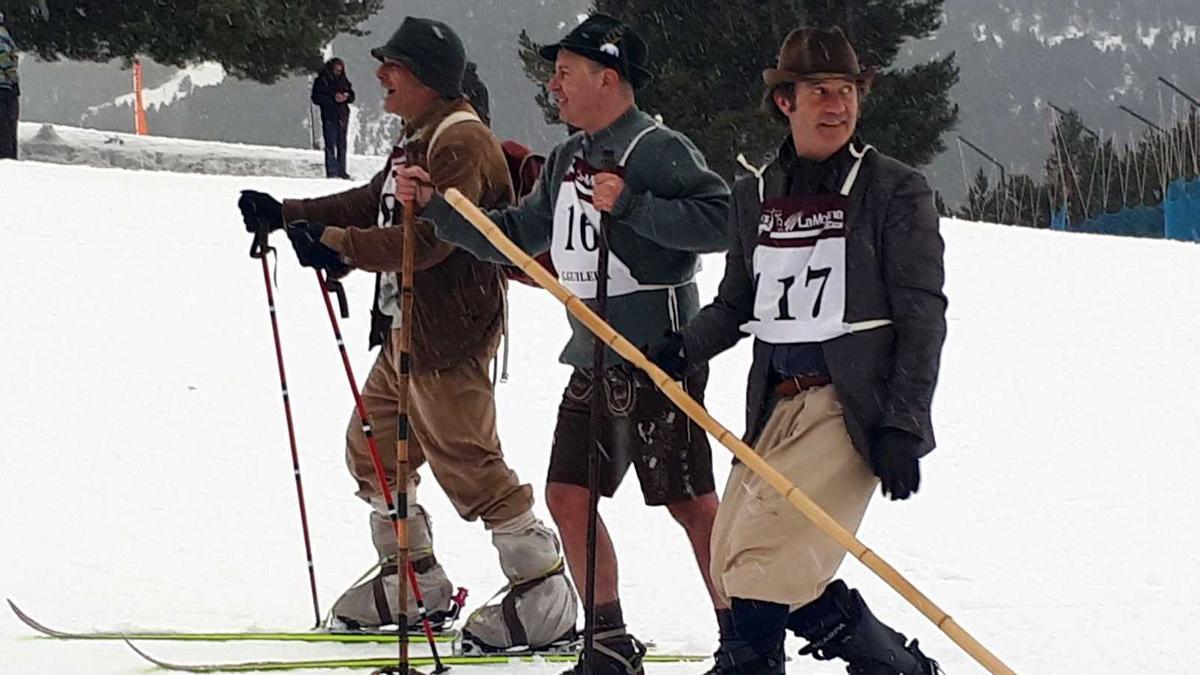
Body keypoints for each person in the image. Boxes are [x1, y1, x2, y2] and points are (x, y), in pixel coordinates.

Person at [396, 14, 731, 674]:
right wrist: (440, 208)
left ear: (608, 78)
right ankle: (606, 639)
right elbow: (520, 233)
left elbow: (719, 220)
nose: (553, 85)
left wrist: (634, 206)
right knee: (569, 494)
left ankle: (743, 633)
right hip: (591, 357)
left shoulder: (659, 149)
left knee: (691, 504)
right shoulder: (567, 158)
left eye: (565, 72)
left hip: (656, 359)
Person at [236, 17, 577, 652]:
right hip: (404, 328)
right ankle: (412, 579)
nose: (381, 76)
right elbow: (375, 203)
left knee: (469, 463)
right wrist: (289, 215)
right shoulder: (416, 136)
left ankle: (545, 591)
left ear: (425, 77)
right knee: (371, 450)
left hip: (448, 335)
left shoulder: (461, 144)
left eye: (393, 66)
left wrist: (337, 247)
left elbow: (431, 241)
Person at [647, 26, 946, 674]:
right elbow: (737, 304)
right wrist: (683, 347)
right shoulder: (756, 193)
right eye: (819, 92)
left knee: (760, 562)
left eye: (846, 91)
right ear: (785, 101)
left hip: (846, 406)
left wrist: (902, 422)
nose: (837, 105)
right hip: (776, 406)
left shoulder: (894, 191)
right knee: (736, 558)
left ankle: (747, 667)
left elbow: (923, 317)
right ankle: (898, 668)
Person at [311, 57, 355, 178]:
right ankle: (332, 171)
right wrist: (333, 98)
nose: (338, 73)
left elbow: (352, 95)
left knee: (342, 144)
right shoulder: (322, 81)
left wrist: (346, 96)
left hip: (342, 115)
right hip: (329, 115)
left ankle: (342, 171)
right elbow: (316, 98)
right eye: (336, 70)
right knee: (330, 144)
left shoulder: (343, 80)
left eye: (340, 70)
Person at [0, 11, 19, 160]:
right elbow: (6, 59)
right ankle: (8, 157)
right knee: (7, 128)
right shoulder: (3, 34)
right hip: (5, 86)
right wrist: (13, 79)